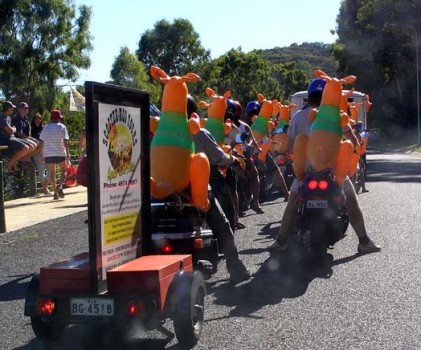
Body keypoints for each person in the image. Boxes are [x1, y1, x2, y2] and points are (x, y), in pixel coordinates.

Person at [268, 78, 381, 254]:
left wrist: (287, 154)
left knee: (292, 199)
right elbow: (350, 137)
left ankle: (281, 240)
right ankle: (364, 241)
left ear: (309, 97)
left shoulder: (298, 117)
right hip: (333, 174)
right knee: (351, 199)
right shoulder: (335, 115)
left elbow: (290, 146)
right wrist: (355, 145)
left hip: (305, 174)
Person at [188, 97, 251, 284]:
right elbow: (219, 158)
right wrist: (233, 159)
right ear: (194, 113)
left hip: (172, 191)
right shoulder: (200, 132)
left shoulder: (163, 132)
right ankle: (235, 268)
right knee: (224, 225)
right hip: (201, 186)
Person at [13, 103, 50, 194]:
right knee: (41, 170)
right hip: (36, 151)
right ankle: (45, 189)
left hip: (45, 151)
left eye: (39, 119)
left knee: (50, 170)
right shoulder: (31, 127)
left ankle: (45, 186)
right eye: (36, 119)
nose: (38, 120)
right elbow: (20, 133)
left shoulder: (43, 128)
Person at [40, 110, 70, 200]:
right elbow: (65, 141)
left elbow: (41, 141)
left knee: (52, 174)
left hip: (48, 153)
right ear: (59, 118)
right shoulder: (62, 127)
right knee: (64, 171)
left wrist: (42, 154)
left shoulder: (46, 127)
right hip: (60, 152)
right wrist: (67, 154)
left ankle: (55, 193)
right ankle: (60, 186)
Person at [0, 101, 34, 172]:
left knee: (31, 146)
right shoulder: (1, 117)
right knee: (25, 147)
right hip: (5, 139)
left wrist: (13, 129)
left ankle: (15, 161)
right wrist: (13, 129)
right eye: (12, 108)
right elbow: (10, 130)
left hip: (12, 137)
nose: (13, 109)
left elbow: (13, 128)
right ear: (9, 109)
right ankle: (11, 163)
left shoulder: (9, 117)